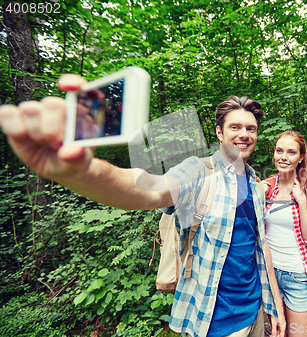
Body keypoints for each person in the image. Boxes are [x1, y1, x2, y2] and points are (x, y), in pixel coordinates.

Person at [0, 74, 285, 337]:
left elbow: (261, 250)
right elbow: (150, 188)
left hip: (256, 311)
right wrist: (82, 172)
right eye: (235, 127)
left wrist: (274, 306)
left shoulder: (255, 184)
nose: (244, 134)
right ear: (220, 133)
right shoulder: (199, 172)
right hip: (214, 320)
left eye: (251, 128)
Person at [264, 131, 307, 337]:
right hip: (269, 274)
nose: (284, 157)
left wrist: (301, 202)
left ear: (301, 157)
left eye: (291, 152)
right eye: (279, 150)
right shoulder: (267, 188)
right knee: (275, 333)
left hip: (297, 276)